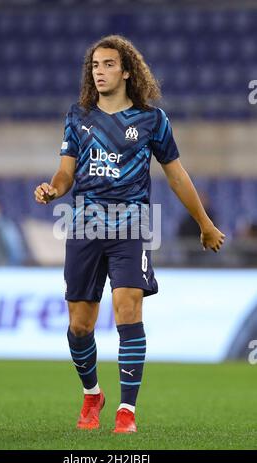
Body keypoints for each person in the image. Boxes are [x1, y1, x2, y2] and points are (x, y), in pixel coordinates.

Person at [34, 35, 225, 433]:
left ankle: (127, 411)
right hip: (84, 225)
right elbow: (66, 172)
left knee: (128, 309)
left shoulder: (153, 120)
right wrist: (53, 188)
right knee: (80, 325)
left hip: (131, 225)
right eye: (94, 66)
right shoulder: (78, 116)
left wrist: (205, 223)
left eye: (107, 65)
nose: (98, 72)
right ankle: (92, 395)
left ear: (126, 71)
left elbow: (176, 175)